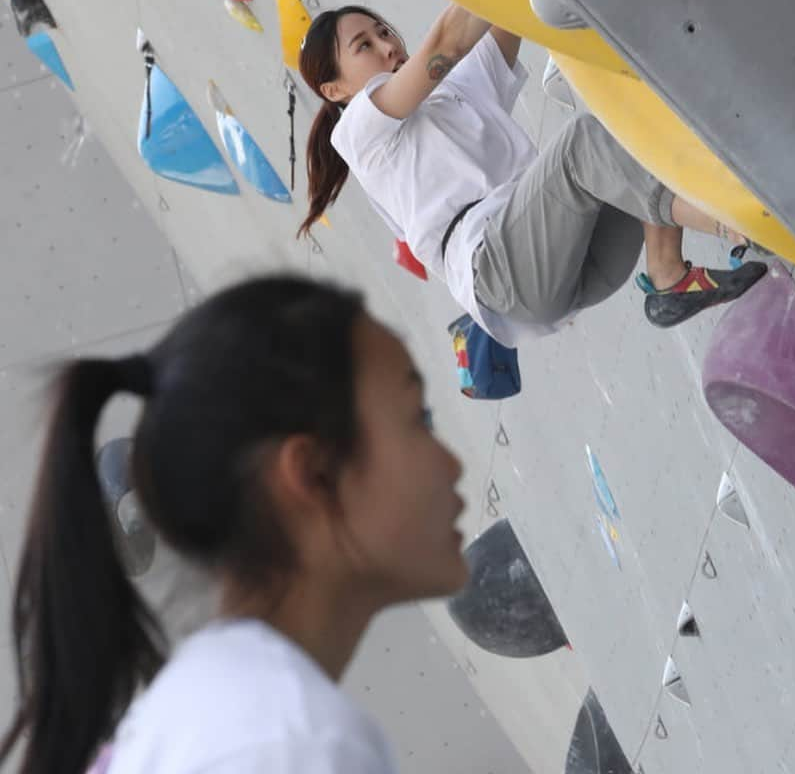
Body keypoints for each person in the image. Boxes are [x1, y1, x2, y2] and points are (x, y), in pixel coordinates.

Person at [0, 276, 466, 774]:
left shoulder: (212, 711)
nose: (452, 464)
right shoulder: (296, 747)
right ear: (312, 473)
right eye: (418, 419)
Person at [298, 4, 767, 347]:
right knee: (583, 142)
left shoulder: (454, 92)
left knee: (629, 118)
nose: (387, 46)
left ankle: (668, 277)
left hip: (573, 261)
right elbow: (448, 40)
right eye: (365, 45)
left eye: (384, 31)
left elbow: (507, 6)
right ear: (334, 89)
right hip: (501, 275)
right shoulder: (359, 133)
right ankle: (741, 223)